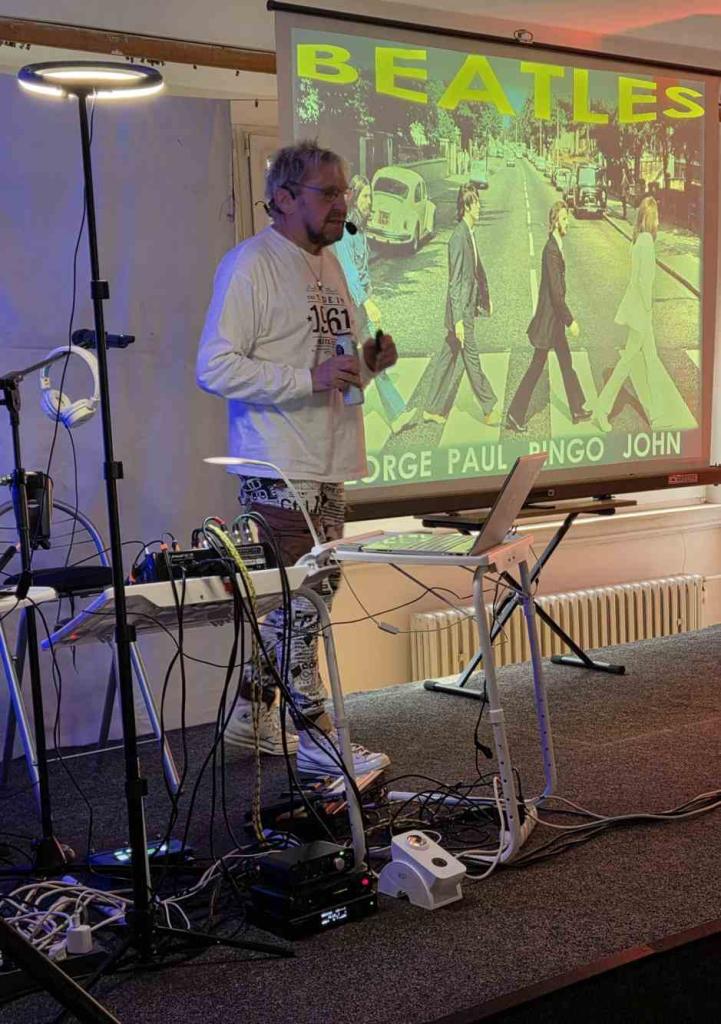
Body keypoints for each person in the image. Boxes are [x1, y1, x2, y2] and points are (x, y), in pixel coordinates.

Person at [196, 140, 397, 777]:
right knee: (301, 605)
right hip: (279, 463)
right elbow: (213, 366)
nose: (342, 204)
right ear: (283, 198)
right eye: (327, 192)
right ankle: (317, 740)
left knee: (306, 598)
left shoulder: (331, 263)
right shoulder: (250, 265)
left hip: (330, 456)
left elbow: (332, 362)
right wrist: (307, 379)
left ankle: (252, 714)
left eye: (344, 192)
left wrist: (367, 364)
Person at [333, 174, 415, 433]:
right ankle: (346, 424)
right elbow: (349, 273)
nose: (371, 201)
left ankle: (393, 415)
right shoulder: (345, 232)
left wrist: (369, 295)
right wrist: (367, 302)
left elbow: (362, 270)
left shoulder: (358, 230)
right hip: (346, 310)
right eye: (366, 196)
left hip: (356, 307)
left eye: (371, 196)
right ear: (355, 199)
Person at [505, 200, 590, 433]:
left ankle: (576, 407)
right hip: (549, 321)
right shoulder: (551, 250)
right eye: (564, 219)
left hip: (554, 322)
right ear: (555, 222)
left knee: (566, 362)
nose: (567, 222)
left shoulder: (557, 245)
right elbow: (556, 293)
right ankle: (514, 414)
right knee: (536, 367)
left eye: (567, 218)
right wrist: (570, 321)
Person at [424, 183, 500, 427]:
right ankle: (489, 407)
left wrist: (485, 299)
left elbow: (476, 272)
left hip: (466, 307)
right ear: (466, 206)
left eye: (477, 201)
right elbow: (456, 281)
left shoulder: (469, 233)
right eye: (475, 202)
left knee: (446, 358)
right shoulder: (458, 238)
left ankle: (431, 408)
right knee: (472, 359)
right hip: (461, 312)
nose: (479, 206)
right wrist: (458, 320)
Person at [593, 196, 661, 432]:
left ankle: (656, 413)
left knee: (651, 359)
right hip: (641, 312)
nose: (659, 222)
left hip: (638, 310)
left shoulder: (638, 240)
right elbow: (643, 282)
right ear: (650, 218)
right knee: (626, 363)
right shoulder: (647, 242)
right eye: (657, 217)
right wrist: (648, 310)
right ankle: (602, 410)